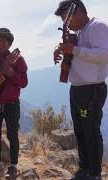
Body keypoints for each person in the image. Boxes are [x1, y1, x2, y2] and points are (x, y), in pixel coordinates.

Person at [54, 0, 108, 179]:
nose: (66, 22)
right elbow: (78, 52)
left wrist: (75, 50)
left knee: (91, 130)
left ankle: (94, 173)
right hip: (78, 90)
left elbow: (104, 54)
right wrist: (62, 51)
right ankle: (84, 168)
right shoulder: (80, 32)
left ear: (77, 12)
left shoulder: (97, 27)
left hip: (91, 90)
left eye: (66, 17)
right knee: (80, 130)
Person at [0, 28, 28, 179]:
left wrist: (12, 74)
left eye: (4, 40)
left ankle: (14, 165)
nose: (1, 43)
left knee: (12, 133)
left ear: (9, 43)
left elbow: (23, 83)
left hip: (11, 103)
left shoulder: (18, 60)